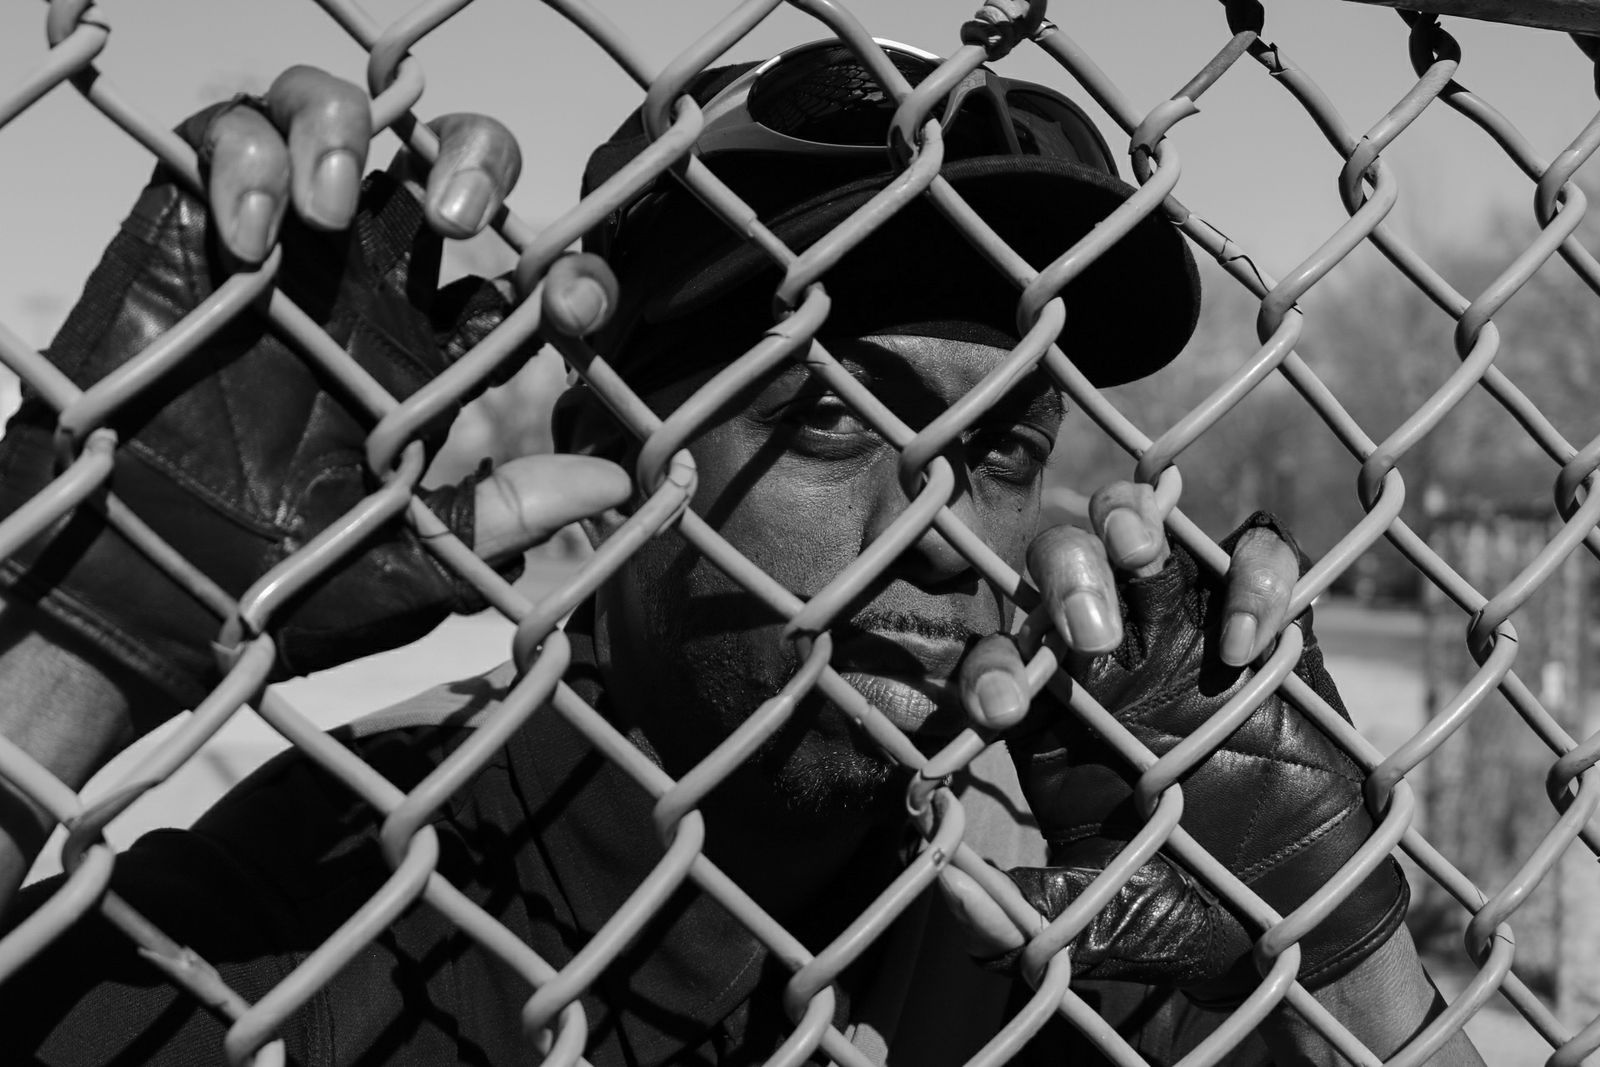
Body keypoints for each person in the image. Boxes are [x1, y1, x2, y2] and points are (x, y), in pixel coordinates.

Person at [0, 37, 1481, 1066]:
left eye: (1002, 453)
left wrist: (1346, 949)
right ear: (619, 461)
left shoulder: (1034, 942)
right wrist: (73, 650)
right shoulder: (325, 916)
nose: (943, 534)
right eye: (835, 420)